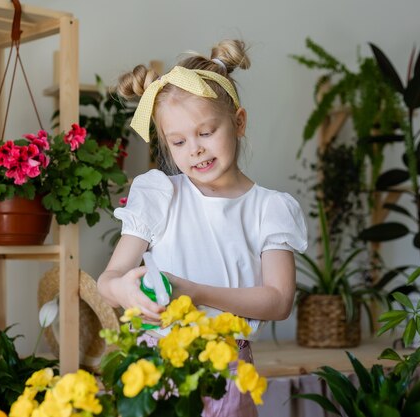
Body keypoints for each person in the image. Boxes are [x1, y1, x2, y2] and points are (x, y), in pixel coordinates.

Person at [97, 39, 308, 416]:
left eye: (206, 133)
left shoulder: (268, 208)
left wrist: (192, 291)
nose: (194, 149)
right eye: (178, 142)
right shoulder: (160, 194)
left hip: (228, 366)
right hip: (155, 365)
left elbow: (278, 301)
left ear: (238, 123)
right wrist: (124, 290)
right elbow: (108, 280)